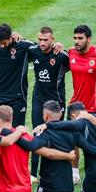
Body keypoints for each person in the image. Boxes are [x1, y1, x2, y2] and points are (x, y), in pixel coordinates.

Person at [27, 26, 69, 183]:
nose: (42, 43)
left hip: (56, 102)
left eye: (45, 40)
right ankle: (33, 174)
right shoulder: (33, 51)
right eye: (40, 40)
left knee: (56, 135)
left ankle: (56, 170)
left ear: (52, 39)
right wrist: (16, 35)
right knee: (37, 133)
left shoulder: (61, 55)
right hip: (38, 99)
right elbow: (18, 45)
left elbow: (78, 66)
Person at [0, 24, 35, 128]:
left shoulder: (23, 45)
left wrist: (56, 45)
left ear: (11, 37)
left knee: (18, 131)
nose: (2, 46)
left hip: (18, 98)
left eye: (4, 43)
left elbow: (43, 48)